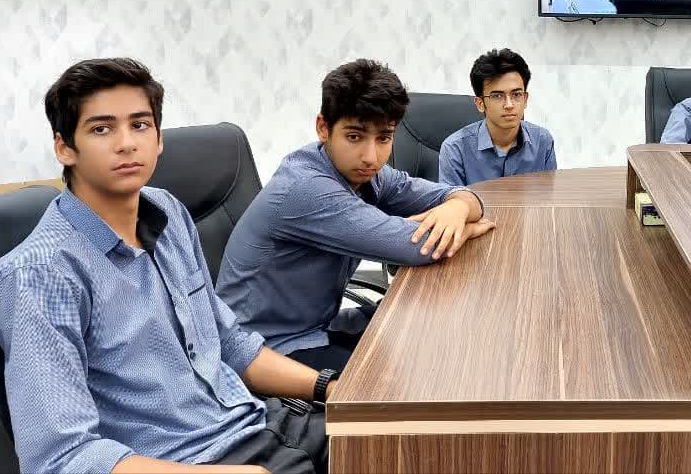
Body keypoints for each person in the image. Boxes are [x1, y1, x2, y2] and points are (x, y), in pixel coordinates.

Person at [0, 58, 332, 473]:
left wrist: (329, 387)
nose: (126, 143)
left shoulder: (168, 212)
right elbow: (61, 457)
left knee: (395, 433)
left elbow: (227, 343)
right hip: (189, 461)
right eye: (101, 129)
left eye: (140, 124)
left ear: (158, 139)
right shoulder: (40, 275)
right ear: (64, 147)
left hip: (258, 421)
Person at [216, 59, 493, 373]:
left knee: (436, 334)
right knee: (412, 373)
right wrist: (467, 228)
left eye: (383, 138)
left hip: (317, 327)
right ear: (323, 128)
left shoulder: (368, 175)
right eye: (354, 137)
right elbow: (416, 247)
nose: (371, 157)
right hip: (265, 351)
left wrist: (457, 209)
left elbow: (466, 196)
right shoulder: (307, 188)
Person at [439, 49, 557, 187]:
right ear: (480, 104)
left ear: (525, 99)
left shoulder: (542, 141)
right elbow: (453, 200)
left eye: (517, 94)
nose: (509, 105)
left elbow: (550, 196)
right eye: (497, 96)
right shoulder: (454, 149)